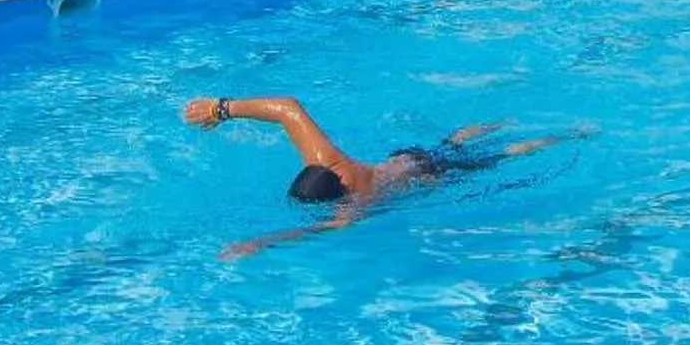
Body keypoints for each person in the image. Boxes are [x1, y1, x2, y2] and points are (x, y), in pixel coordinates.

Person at [181, 94, 561, 257]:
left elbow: (320, 230)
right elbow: (287, 108)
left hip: (433, 175)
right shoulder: (329, 159)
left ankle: (556, 137)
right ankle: (501, 120)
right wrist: (221, 108)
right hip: (408, 156)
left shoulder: (356, 202)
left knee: (498, 157)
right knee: (453, 142)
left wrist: (261, 242)